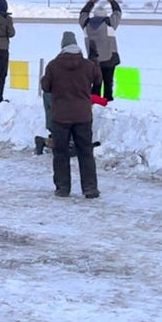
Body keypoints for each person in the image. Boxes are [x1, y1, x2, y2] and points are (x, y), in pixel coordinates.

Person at [40, 32, 102, 198]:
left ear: (62, 46)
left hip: (61, 116)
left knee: (61, 153)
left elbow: (46, 87)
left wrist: (45, 78)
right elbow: (97, 81)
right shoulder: (88, 65)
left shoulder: (53, 65)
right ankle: (90, 188)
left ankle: (63, 188)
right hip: (83, 115)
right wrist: (95, 61)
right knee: (85, 152)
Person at [80, 0, 122, 102]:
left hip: (93, 61)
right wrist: (112, 1)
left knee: (96, 83)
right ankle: (107, 104)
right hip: (109, 59)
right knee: (108, 83)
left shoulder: (86, 24)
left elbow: (83, 14)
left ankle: (95, 103)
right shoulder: (109, 22)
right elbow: (117, 13)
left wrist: (91, 2)